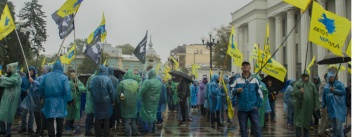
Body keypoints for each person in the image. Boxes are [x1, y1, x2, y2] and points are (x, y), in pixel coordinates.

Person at [40, 61, 72, 137]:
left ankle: (51, 135)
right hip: (60, 101)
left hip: (49, 101)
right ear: (61, 67)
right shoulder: (64, 77)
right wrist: (69, 100)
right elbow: (67, 90)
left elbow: (41, 87)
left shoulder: (46, 76)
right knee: (60, 119)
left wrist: (41, 96)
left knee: (50, 119)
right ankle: (58, 135)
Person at [231, 61, 263, 137]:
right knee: (243, 129)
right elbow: (231, 91)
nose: (245, 66)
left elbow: (260, 94)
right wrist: (236, 90)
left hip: (253, 108)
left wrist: (257, 105)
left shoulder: (255, 79)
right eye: (244, 65)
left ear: (250, 67)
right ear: (241, 68)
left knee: (257, 128)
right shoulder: (237, 79)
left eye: (247, 65)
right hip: (242, 109)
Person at [21, 65, 52, 135]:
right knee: (37, 115)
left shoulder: (46, 77)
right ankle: (38, 130)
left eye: (43, 68)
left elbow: (42, 86)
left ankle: (40, 131)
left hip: (41, 99)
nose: (41, 69)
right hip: (36, 99)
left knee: (40, 116)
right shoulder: (41, 77)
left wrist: (33, 82)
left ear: (46, 70)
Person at [90, 65, 115, 137]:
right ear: (106, 71)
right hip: (106, 102)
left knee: (97, 118)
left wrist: (94, 97)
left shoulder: (94, 79)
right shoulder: (108, 79)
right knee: (106, 118)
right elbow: (111, 91)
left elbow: (91, 89)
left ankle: (97, 134)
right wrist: (113, 100)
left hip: (96, 101)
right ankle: (106, 134)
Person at [292, 71, 319, 137]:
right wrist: (299, 91)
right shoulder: (298, 84)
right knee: (299, 122)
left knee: (307, 122)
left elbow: (315, 95)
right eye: (303, 76)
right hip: (300, 107)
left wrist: (316, 106)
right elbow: (293, 93)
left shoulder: (311, 84)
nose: (305, 77)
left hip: (309, 107)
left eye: (306, 76)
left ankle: (306, 135)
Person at [0, 62, 22, 137]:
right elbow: (5, 80)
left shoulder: (16, 76)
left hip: (13, 98)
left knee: (10, 114)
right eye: (8, 67)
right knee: (2, 113)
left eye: (10, 67)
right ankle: (2, 129)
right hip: (6, 97)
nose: (8, 69)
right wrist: (2, 77)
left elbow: (12, 81)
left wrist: (2, 78)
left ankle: (8, 132)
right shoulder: (7, 75)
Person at [322, 72, 346, 137]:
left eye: (332, 77)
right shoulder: (326, 86)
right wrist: (323, 106)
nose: (331, 78)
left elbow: (343, 92)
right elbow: (324, 97)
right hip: (331, 108)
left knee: (339, 125)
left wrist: (334, 90)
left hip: (338, 107)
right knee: (333, 125)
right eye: (330, 77)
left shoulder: (339, 84)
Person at [138, 69, 162, 134]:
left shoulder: (148, 82)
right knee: (153, 114)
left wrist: (139, 97)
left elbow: (142, 91)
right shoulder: (159, 82)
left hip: (148, 101)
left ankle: (149, 130)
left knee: (148, 115)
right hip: (155, 101)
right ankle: (153, 129)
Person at [117, 70, 140, 136]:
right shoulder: (136, 83)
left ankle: (127, 133)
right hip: (134, 103)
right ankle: (134, 131)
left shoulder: (122, 83)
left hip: (125, 103)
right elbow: (138, 93)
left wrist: (122, 99)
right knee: (133, 119)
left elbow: (119, 93)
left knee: (126, 119)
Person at [19, 66, 37, 133]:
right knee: (23, 114)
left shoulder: (36, 79)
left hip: (32, 100)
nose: (31, 72)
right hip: (24, 99)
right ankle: (23, 127)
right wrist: (25, 91)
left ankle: (30, 128)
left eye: (32, 70)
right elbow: (19, 87)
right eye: (30, 70)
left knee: (32, 115)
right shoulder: (23, 78)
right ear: (28, 71)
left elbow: (37, 88)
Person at [85, 68, 99, 136]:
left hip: (91, 99)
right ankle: (87, 130)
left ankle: (89, 129)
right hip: (92, 99)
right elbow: (90, 88)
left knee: (91, 115)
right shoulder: (94, 77)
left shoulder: (92, 77)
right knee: (90, 116)